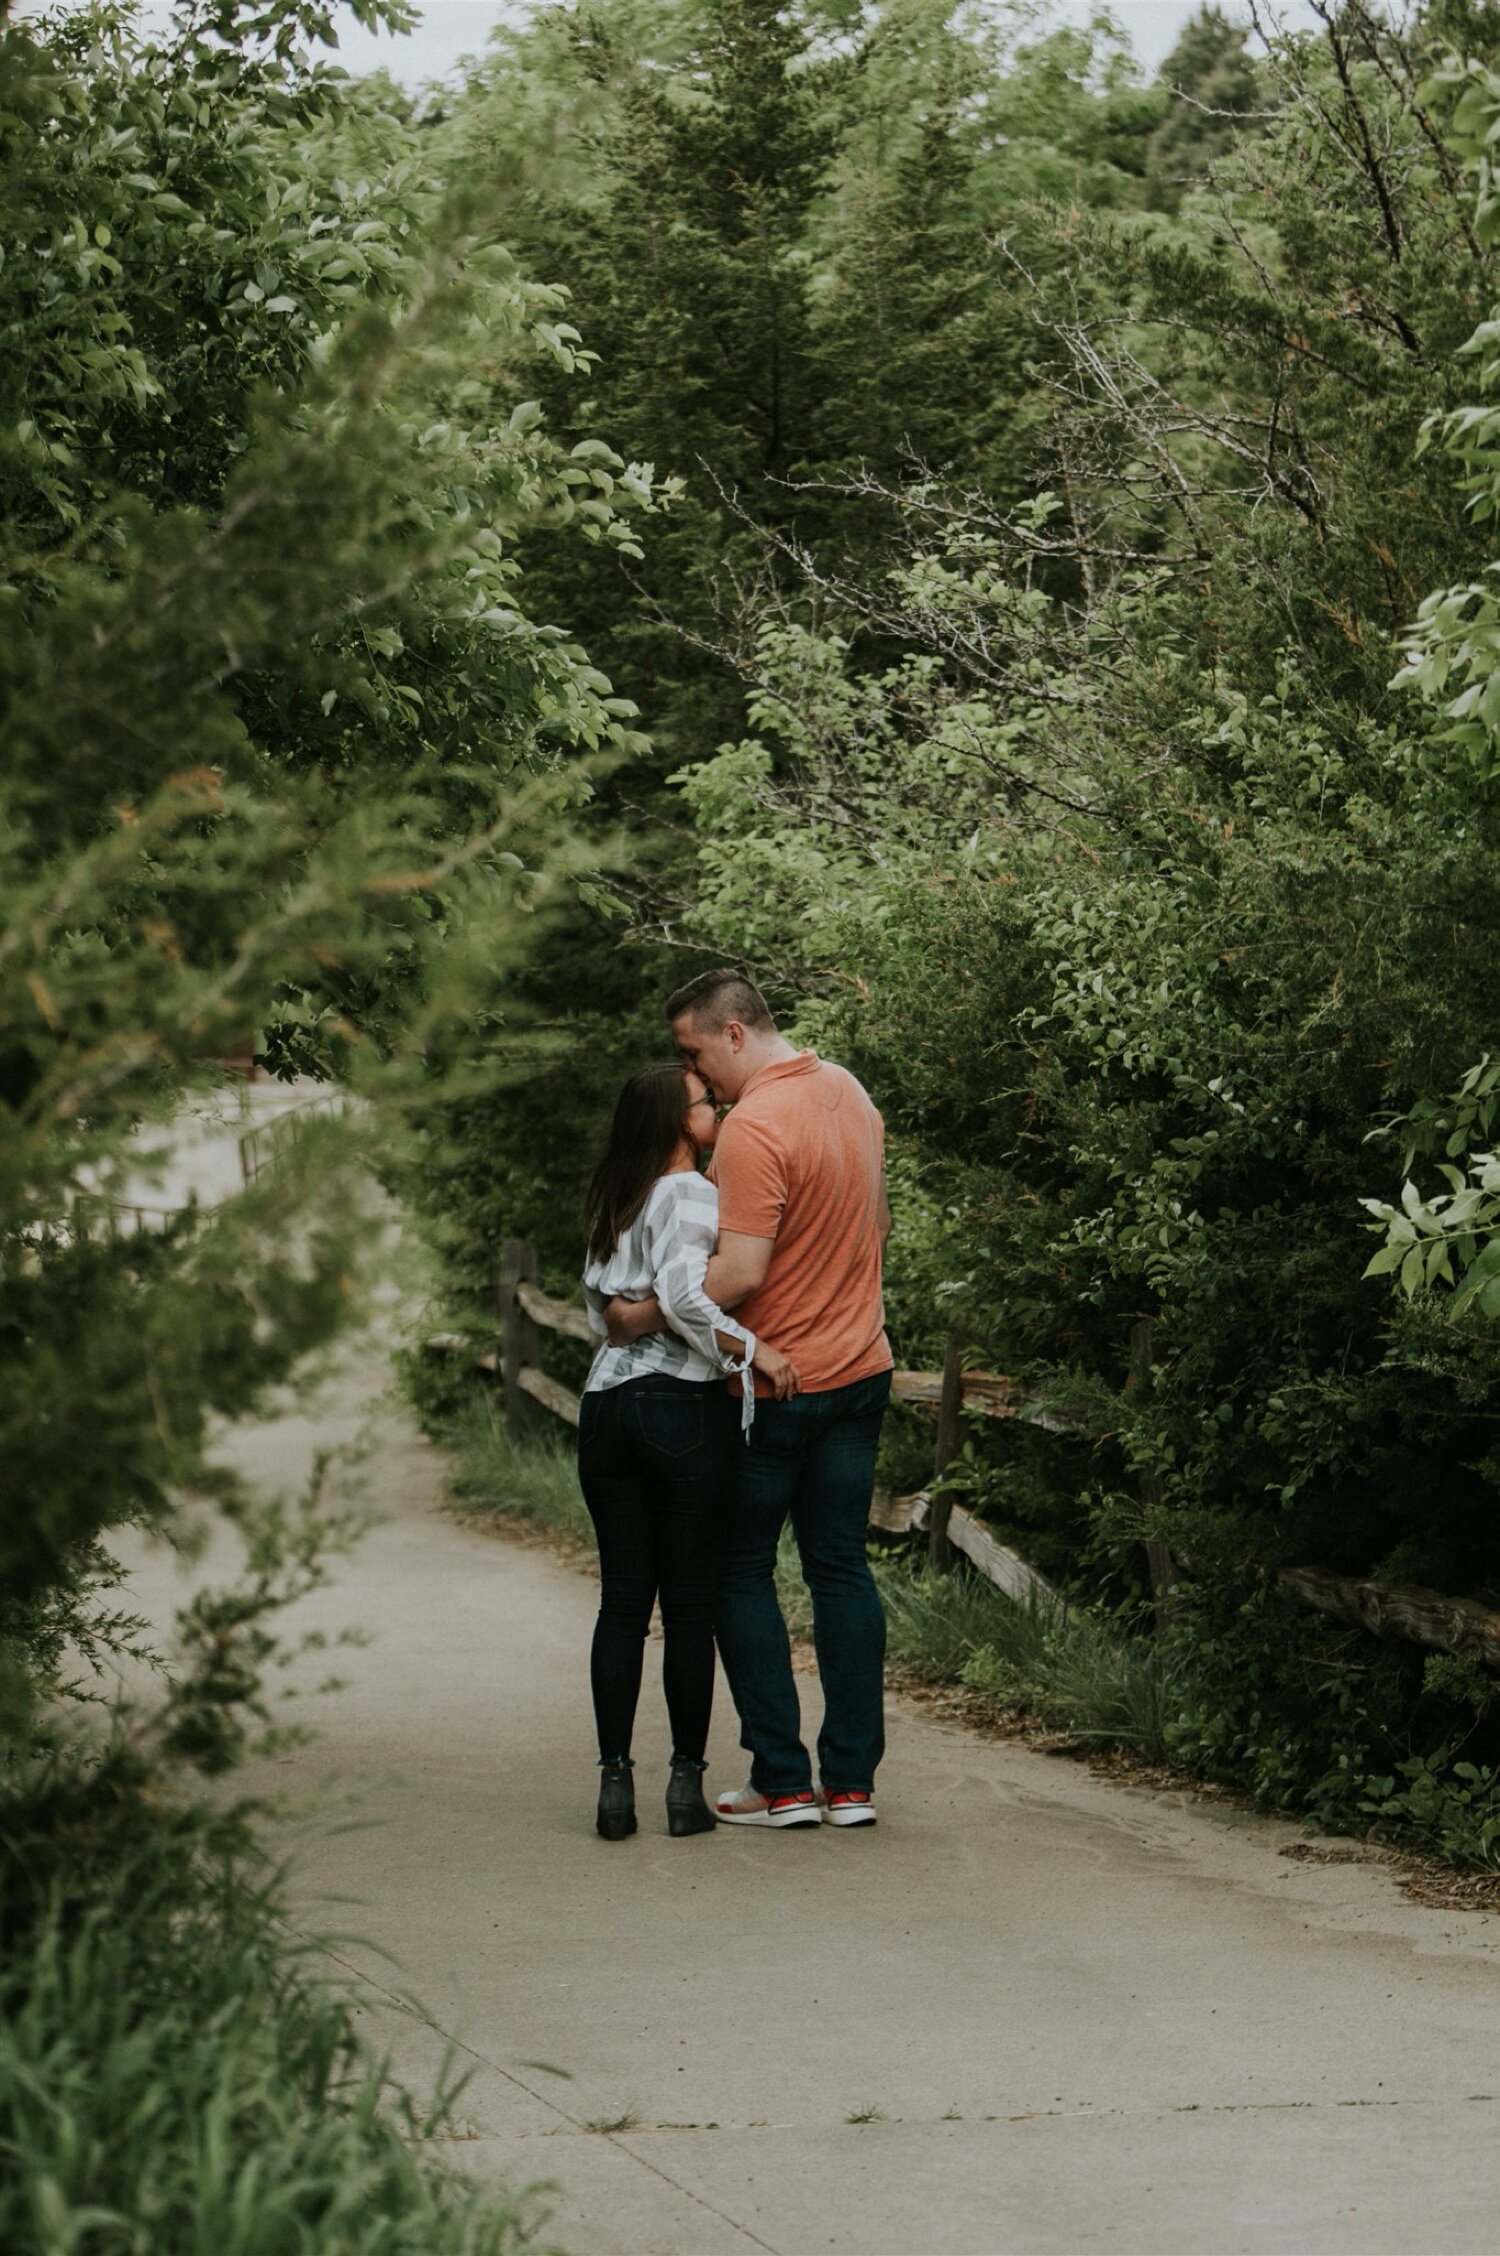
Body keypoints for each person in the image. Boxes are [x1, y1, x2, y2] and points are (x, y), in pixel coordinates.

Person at [606, 971, 892, 1831]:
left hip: (772, 1385)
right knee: (841, 1568)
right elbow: (875, 1224)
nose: (694, 1074)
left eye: (693, 1051)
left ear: (734, 1035)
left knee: (741, 1570)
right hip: (862, 1369)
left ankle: (782, 1780)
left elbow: (738, 1273)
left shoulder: (754, 1128)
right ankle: (851, 1785)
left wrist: (639, 1315)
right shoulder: (850, 1092)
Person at [578, 1062, 799, 1843]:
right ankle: (683, 1784)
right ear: (680, 1121)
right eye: (707, 1104)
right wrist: (754, 1349)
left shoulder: (619, 1193)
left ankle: (612, 1785)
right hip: (678, 1408)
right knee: (689, 1608)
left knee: (622, 1605)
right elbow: (681, 1295)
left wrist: (641, 1316)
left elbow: (609, 1315)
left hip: (604, 1410)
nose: (720, 1108)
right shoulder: (687, 1190)